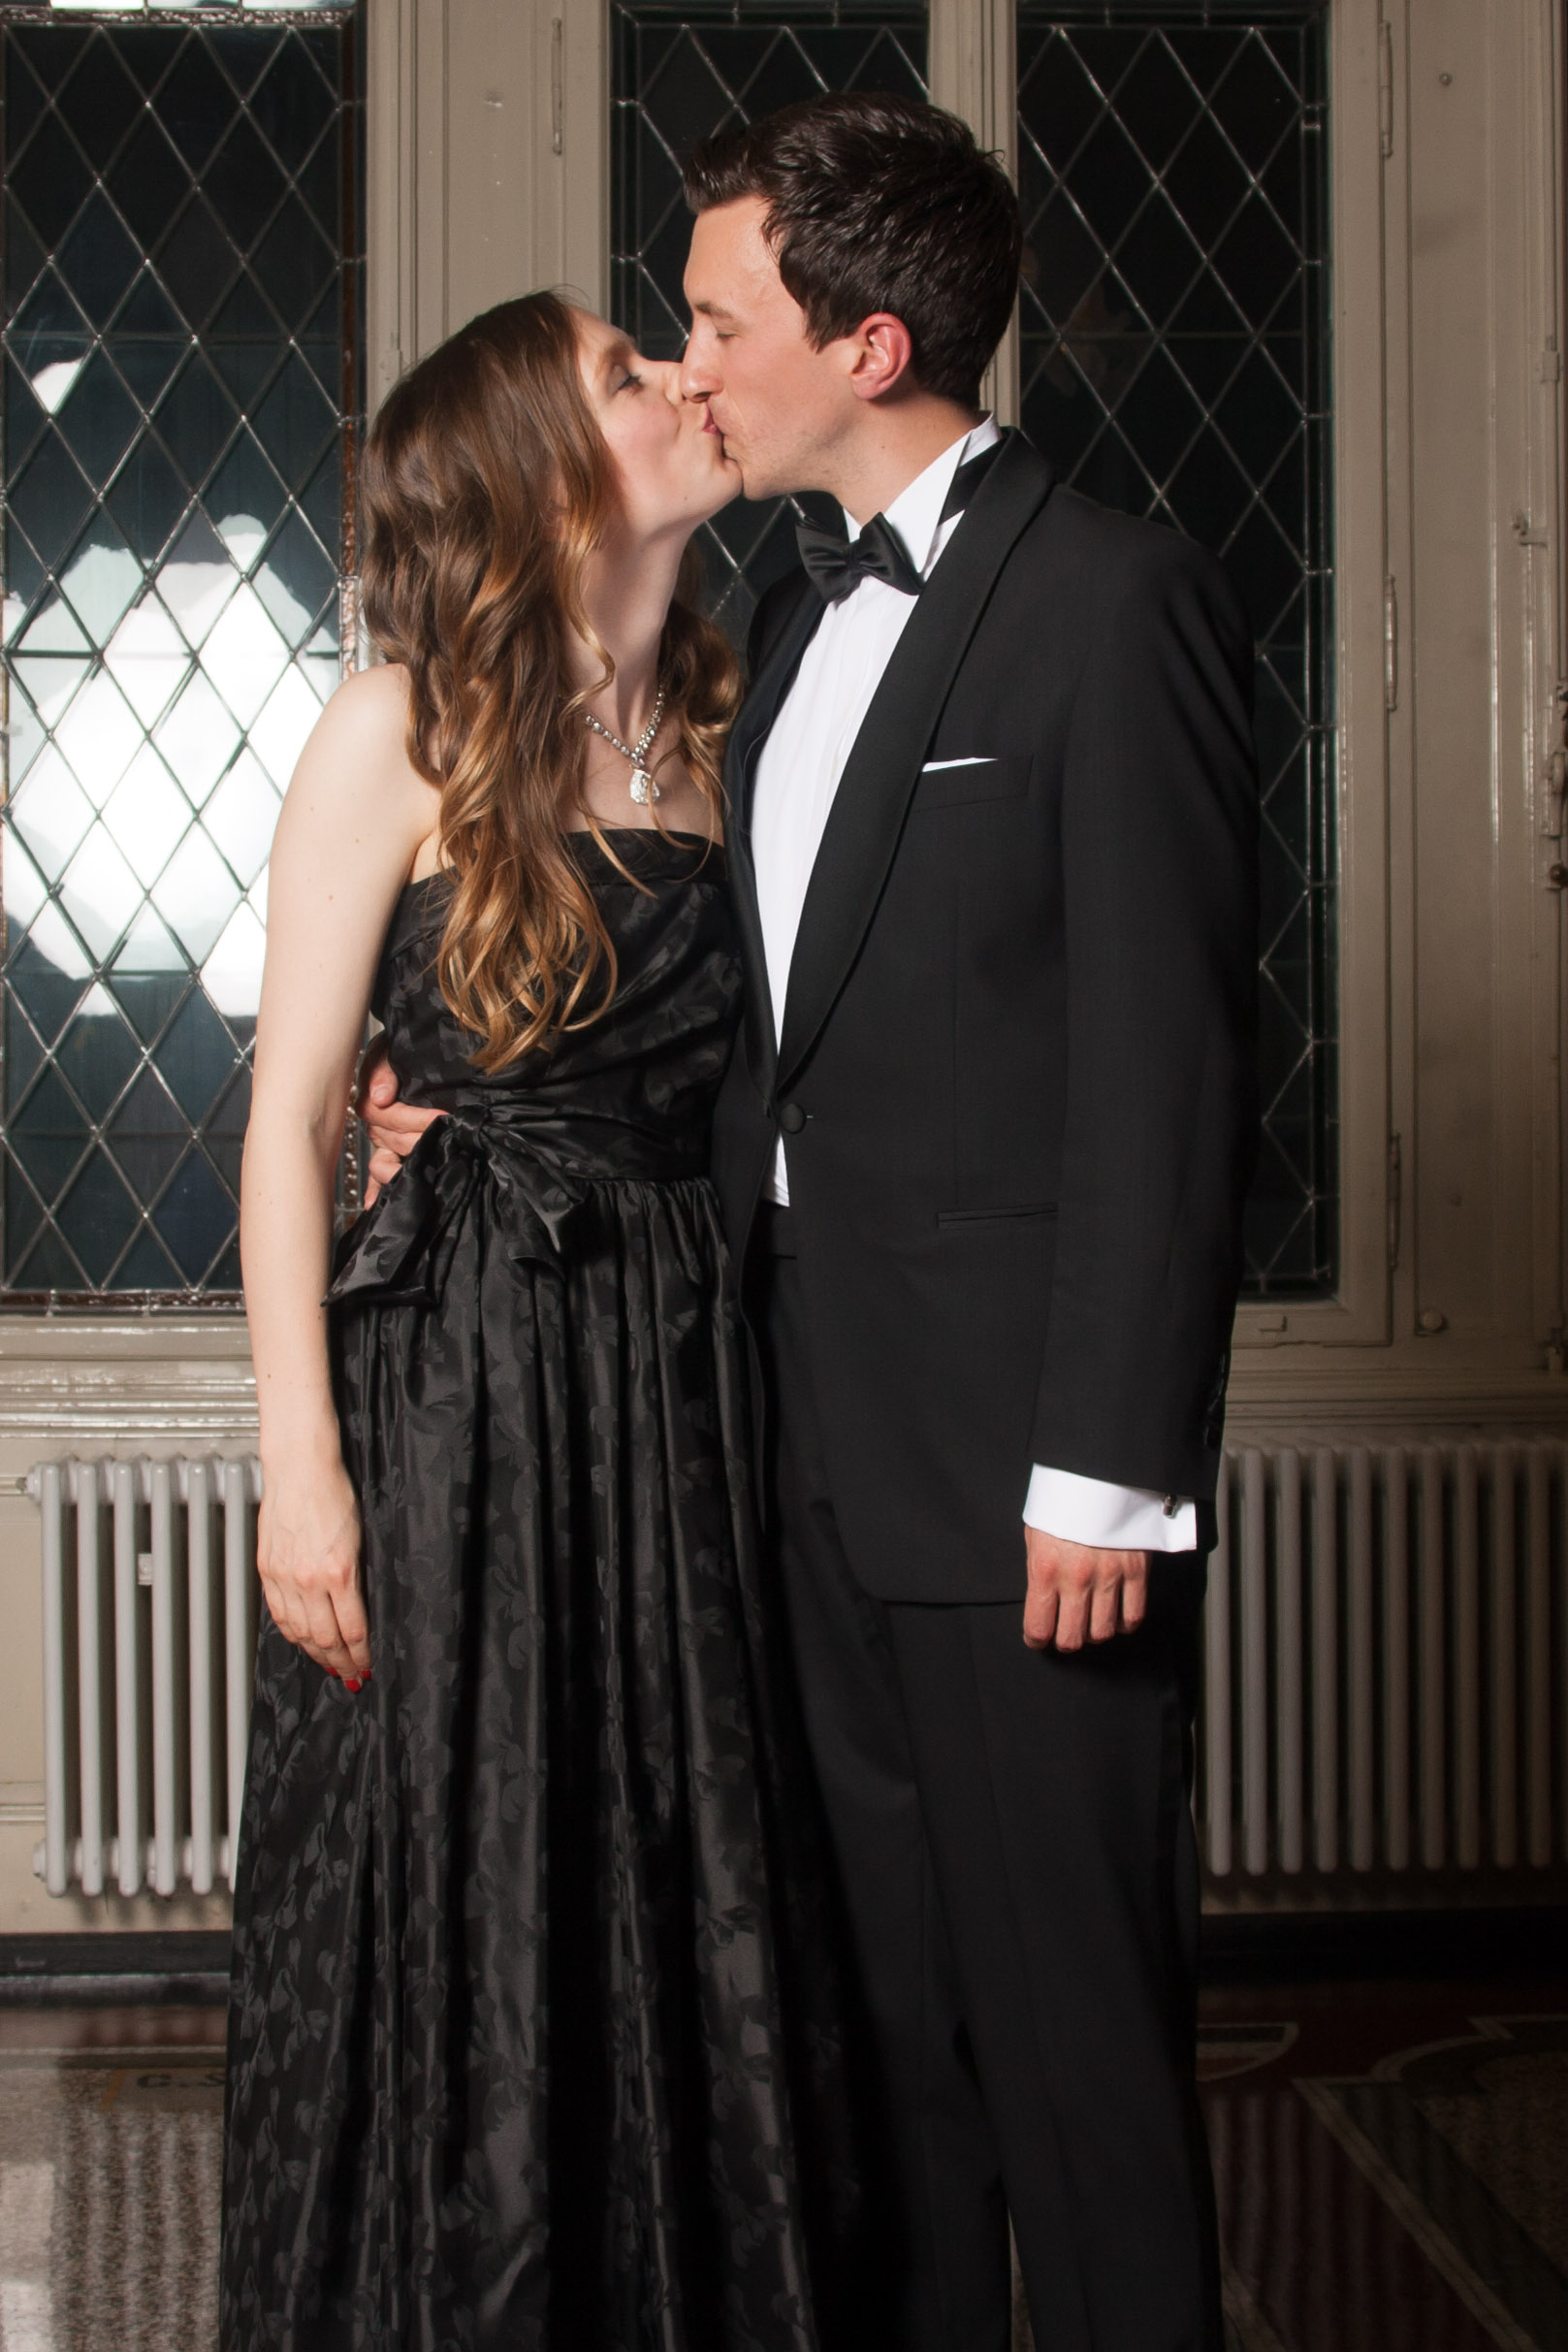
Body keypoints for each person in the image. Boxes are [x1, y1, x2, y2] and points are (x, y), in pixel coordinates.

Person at [366, 92, 1259, 2352]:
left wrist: (1105, 1470)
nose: (688, 366)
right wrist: (467, 1108)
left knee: (1077, 2065)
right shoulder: (761, 627)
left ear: (865, 347)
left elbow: (1165, 1074)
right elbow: (748, 1025)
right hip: (780, 1461)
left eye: (714, 319)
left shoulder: (1110, 598)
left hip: (1022, 1486)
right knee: (883, 2077)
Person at [223, 289, 852, 2350]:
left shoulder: (738, 730)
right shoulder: (397, 731)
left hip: (685, 1379)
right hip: (463, 1388)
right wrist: (301, 1475)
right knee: (471, 1880)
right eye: (622, 372)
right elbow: (289, 1120)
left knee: (682, 1877)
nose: (680, 378)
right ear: (541, 475)